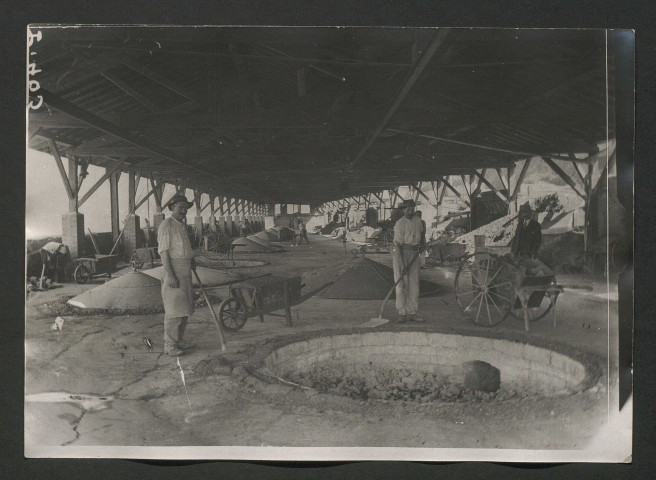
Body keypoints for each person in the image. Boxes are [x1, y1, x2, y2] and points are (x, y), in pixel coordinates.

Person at [157, 194, 196, 356]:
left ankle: (179, 340)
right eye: (181, 208)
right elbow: (164, 252)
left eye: (186, 208)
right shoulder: (167, 224)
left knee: (185, 309)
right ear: (172, 207)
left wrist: (191, 260)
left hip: (185, 270)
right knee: (174, 311)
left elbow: (183, 248)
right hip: (174, 271)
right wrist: (171, 275)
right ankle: (170, 345)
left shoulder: (181, 225)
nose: (184, 211)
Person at [393, 199, 424, 323]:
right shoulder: (400, 224)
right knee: (401, 284)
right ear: (403, 210)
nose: (410, 210)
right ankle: (402, 313)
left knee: (414, 284)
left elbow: (422, 234)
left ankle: (412, 312)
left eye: (412, 208)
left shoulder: (418, 221)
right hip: (401, 254)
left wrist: (423, 245)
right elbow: (397, 246)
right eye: (408, 208)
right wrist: (402, 264)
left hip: (415, 254)